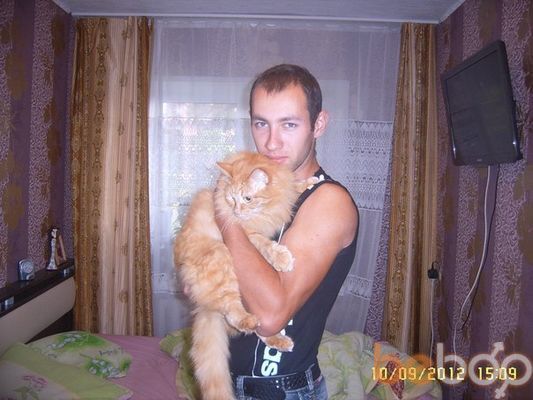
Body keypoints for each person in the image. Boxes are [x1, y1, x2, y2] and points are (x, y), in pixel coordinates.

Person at [215, 64, 359, 399]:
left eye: (289, 124)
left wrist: (224, 215)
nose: (271, 142)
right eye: (261, 123)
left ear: (318, 124)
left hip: (277, 390)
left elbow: (269, 317)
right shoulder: (262, 194)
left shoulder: (329, 201)